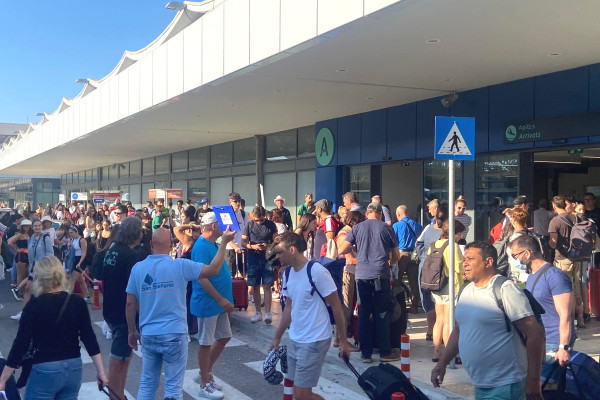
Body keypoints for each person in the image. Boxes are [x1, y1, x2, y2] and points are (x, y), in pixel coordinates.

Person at [125, 226, 234, 400]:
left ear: (151, 244)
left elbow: (130, 303)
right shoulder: (180, 265)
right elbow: (213, 270)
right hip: (174, 333)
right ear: (171, 245)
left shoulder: (137, 268)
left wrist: (132, 330)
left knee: (147, 383)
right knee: (173, 387)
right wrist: (224, 244)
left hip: (149, 333)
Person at [431, 241, 545, 400]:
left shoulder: (505, 289)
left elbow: (535, 334)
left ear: (488, 262)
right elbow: (459, 330)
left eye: (471, 259)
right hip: (481, 385)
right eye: (464, 259)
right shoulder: (465, 290)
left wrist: (533, 381)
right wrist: (442, 363)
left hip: (506, 385)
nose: (465, 264)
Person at [0, 256, 108, 398]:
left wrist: (3, 379)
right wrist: (101, 372)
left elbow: (21, 344)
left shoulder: (33, 306)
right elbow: (89, 338)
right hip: (73, 367)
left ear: (38, 278)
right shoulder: (77, 302)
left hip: (45, 368)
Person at [269, 232, 351, 400]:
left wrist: (343, 341)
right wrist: (277, 337)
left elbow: (337, 307)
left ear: (292, 249)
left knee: (302, 395)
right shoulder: (287, 273)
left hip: (315, 340)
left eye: (279, 252)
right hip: (295, 338)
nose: (277, 256)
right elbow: (288, 308)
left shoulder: (317, 272)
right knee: (295, 391)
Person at [338, 202, 401, 363]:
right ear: (380, 214)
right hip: (380, 274)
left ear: (367, 214)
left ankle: (365, 353)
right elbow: (396, 255)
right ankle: (384, 352)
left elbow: (341, 249)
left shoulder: (357, 228)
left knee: (363, 314)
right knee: (382, 313)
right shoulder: (387, 228)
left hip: (362, 275)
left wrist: (356, 250)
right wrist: (390, 263)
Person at [509, 235, 573, 381]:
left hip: (553, 343)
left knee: (547, 387)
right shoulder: (532, 275)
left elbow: (565, 314)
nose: (514, 260)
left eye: (515, 256)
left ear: (527, 253)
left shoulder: (555, 276)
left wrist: (563, 347)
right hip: (539, 339)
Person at [189, 213, 235, 399]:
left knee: (224, 336)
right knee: (205, 342)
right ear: (214, 226)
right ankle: (204, 383)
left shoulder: (213, 244)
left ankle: (205, 373)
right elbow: (202, 278)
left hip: (217, 303)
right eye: (221, 224)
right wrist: (220, 299)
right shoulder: (201, 246)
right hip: (208, 302)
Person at [102, 217, 143, 400]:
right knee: (119, 357)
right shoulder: (131, 256)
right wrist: (137, 319)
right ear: (136, 233)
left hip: (110, 308)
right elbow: (132, 293)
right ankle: (115, 396)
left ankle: (119, 394)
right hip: (123, 312)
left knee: (124, 355)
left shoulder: (112, 250)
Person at [429, 220, 465, 362]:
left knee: (439, 320)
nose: (461, 236)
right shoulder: (453, 246)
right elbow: (459, 267)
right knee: (449, 321)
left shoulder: (434, 244)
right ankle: (450, 355)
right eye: (460, 233)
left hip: (435, 285)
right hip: (450, 286)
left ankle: (436, 352)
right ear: (454, 233)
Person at [548, 195, 583, 327]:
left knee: (565, 289)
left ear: (554, 206)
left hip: (562, 259)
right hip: (577, 257)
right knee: (576, 287)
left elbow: (553, 243)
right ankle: (580, 318)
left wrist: (547, 243)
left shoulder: (555, 221)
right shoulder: (575, 218)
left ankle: (569, 319)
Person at [415, 207, 449, 342]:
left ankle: (431, 332)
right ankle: (438, 334)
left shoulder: (428, 228)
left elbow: (418, 243)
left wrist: (424, 256)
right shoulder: (447, 232)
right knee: (439, 303)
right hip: (439, 271)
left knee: (428, 301)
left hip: (425, 269)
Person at [242, 205, 277, 324]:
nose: (259, 222)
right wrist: (252, 246)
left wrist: (268, 246)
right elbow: (243, 242)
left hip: (267, 257)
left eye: (261, 220)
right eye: (257, 220)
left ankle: (268, 312)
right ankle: (258, 312)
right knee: (255, 285)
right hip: (253, 257)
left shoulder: (271, 225)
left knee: (267, 285)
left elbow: (276, 241)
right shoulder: (249, 225)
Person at [335, 211, 365, 351]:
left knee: (348, 306)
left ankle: (339, 339)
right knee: (346, 307)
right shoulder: (344, 235)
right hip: (347, 273)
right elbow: (351, 259)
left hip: (352, 272)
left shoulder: (350, 233)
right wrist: (368, 261)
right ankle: (342, 340)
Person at [392, 205, 423, 313]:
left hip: (401, 255)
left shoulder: (396, 226)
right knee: (414, 282)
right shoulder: (417, 225)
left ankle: (397, 305)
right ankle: (414, 306)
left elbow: (393, 242)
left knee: (397, 280)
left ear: (398, 214)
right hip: (414, 255)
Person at [8, 219, 32, 304]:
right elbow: (10, 243)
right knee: (20, 275)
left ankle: (24, 291)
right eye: (25, 226)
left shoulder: (31, 234)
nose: (26, 227)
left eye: (28, 225)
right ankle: (20, 292)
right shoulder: (20, 234)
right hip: (21, 255)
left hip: (29, 256)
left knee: (29, 274)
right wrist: (17, 250)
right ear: (22, 226)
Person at [224, 192, 248, 278]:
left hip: (242, 248)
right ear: (230, 202)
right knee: (231, 275)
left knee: (244, 274)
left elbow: (247, 231)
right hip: (230, 248)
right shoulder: (226, 215)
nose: (237, 203)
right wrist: (235, 247)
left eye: (239, 201)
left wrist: (246, 245)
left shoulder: (244, 214)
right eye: (235, 201)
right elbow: (225, 234)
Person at [65, 225, 91, 301]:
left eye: (71, 232)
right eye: (69, 233)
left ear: (76, 232)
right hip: (74, 259)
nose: (70, 234)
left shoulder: (82, 240)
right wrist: (69, 245)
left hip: (81, 260)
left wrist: (79, 263)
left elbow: (84, 253)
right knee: (81, 280)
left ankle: (67, 298)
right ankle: (87, 296)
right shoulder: (73, 239)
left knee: (72, 280)